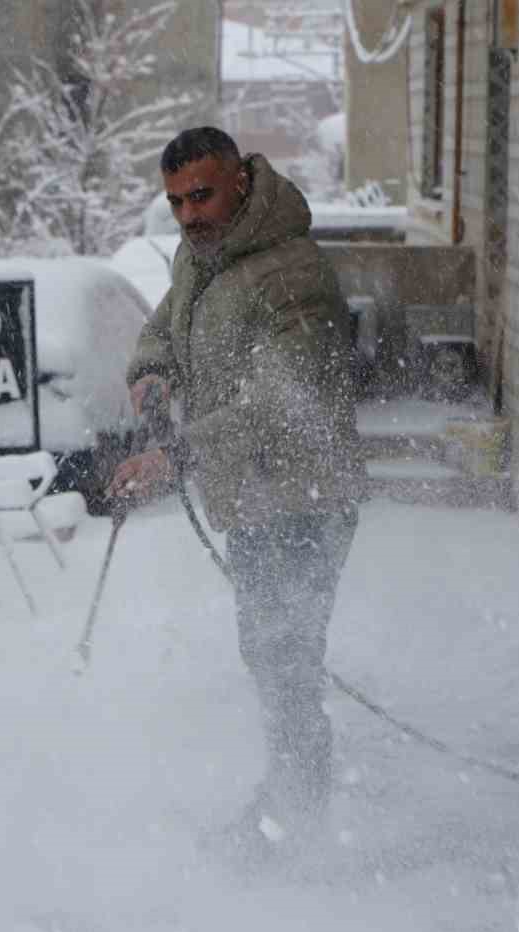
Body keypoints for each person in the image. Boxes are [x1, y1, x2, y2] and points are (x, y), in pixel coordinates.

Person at [108, 127, 365, 836]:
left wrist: (177, 457)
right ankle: (290, 801)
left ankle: (298, 816)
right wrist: (153, 374)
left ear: (242, 183)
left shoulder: (291, 273)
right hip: (253, 500)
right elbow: (165, 325)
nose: (189, 214)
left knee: (287, 662)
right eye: (176, 201)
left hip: (307, 500)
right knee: (270, 657)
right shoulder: (204, 259)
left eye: (202, 194)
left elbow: (284, 401)